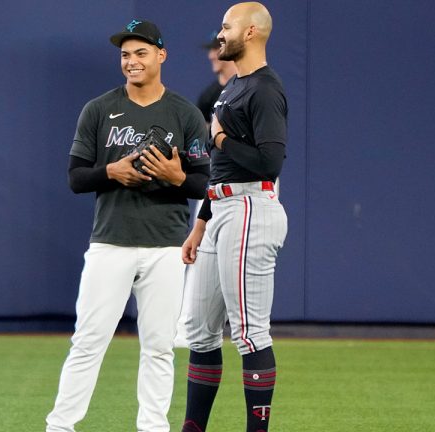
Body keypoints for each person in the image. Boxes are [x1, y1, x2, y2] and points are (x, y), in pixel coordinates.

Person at [45, 20, 210, 432]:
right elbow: (76, 178)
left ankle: (154, 427)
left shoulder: (184, 113)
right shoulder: (99, 109)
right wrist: (111, 172)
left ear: (161, 55)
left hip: (165, 245)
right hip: (111, 241)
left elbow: (206, 183)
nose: (131, 61)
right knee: (88, 340)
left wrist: (176, 178)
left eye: (140, 53)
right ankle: (60, 426)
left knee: (158, 347)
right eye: (125, 55)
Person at [177, 3, 288, 432]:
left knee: (249, 333)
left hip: (249, 209)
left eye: (227, 27)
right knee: (199, 331)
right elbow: (220, 170)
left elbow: (269, 162)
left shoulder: (263, 88)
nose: (220, 35)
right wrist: (200, 224)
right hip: (220, 207)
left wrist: (220, 137)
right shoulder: (231, 88)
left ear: (254, 31)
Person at [195, 30, 239, 124]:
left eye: (216, 49)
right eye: (210, 50)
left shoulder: (252, 88)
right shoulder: (207, 97)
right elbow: (201, 135)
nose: (211, 56)